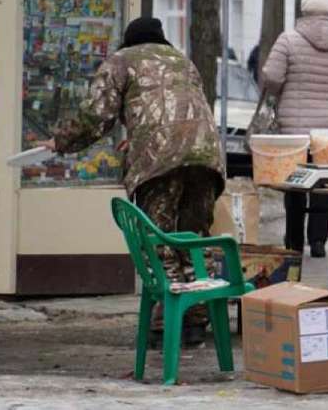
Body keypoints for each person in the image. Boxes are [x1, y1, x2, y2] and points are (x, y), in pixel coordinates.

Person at [38, 17, 224, 346]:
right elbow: (180, 110)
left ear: (128, 40)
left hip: (159, 161)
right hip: (206, 155)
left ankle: (165, 323)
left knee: (159, 237)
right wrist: (139, 135)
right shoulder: (183, 61)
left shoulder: (121, 61)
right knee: (194, 236)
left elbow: (97, 114)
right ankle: (196, 319)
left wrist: (61, 141)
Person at [261, 0, 328, 258]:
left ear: (303, 11)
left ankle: (294, 242)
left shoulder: (288, 40)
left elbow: (272, 76)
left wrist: (278, 92)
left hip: (295, 127)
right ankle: (318, 241)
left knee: (295, 183)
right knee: (323, 183)